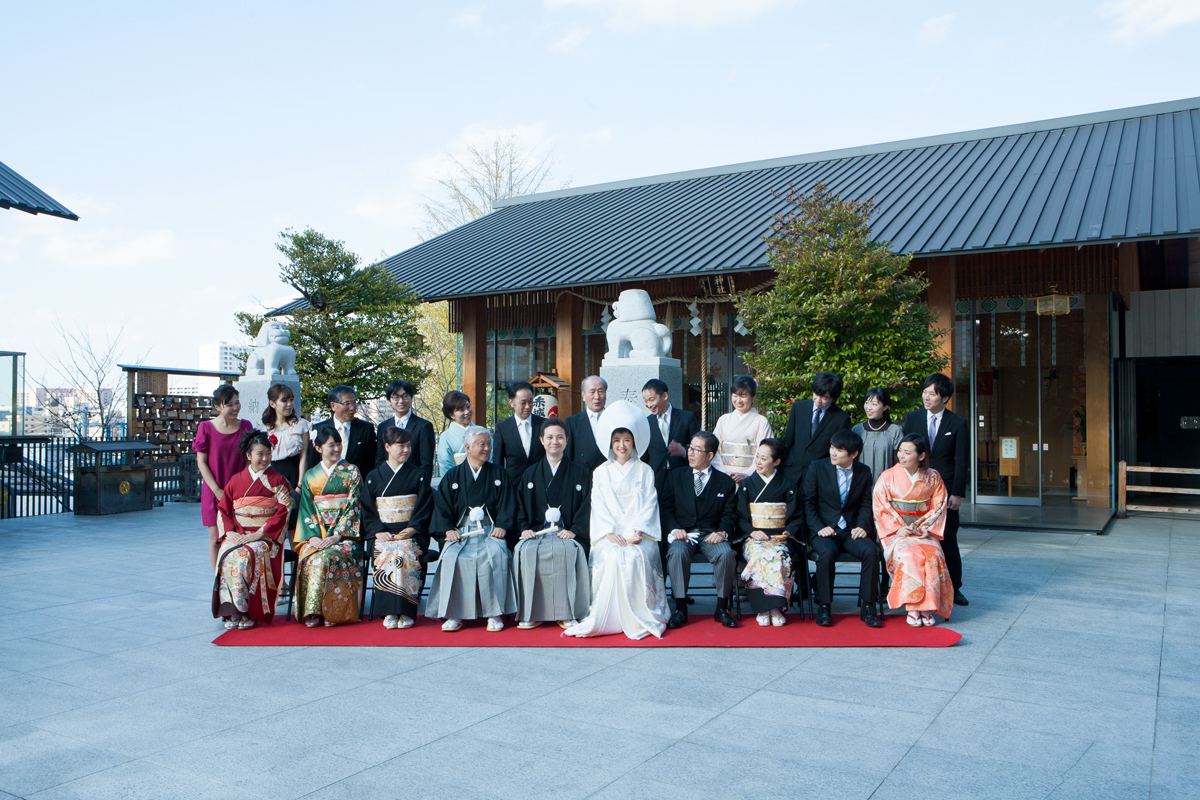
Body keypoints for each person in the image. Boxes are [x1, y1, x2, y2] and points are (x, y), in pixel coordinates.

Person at [565, 401, 669, 640]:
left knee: (634, 557)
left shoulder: (645, 470)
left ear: (634, 442)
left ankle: (640, 615)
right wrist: (608, 533)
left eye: (627, 440)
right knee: (612, 555)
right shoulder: (600, 472)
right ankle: (608, 616)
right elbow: (598, 506)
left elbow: (650, 504)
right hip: (610, 533)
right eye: (617, 440)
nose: (622, 445)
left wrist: (639, 531)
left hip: (638, 534)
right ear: (610, 443)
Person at [426, 425, 518, 632]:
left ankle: (494, 613)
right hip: (462, 531)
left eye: (488, 444)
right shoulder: (453, 476)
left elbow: (508, 503)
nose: (486, 448)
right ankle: (454, 613)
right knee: (451, 557)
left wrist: (502, 525)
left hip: (490, 530)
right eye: (481, 444)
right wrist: (447, 529)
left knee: (495, 554)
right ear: (467, 447)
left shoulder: (498, 473)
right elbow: (441, 506)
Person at [512, 418, 592, 629]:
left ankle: (567, 612)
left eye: (559, 437)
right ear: (541, 440)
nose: (554, 441)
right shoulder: (530, 473)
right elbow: (520, 506)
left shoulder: (580, 473)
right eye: (549, 437)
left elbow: (588, 505)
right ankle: (532, 611)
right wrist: (524, 528)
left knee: (566, 551)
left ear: (566, 440)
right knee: (526, 552)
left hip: (567, 532)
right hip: (537, 532)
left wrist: (575, 530)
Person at [212, 431, 292, 630]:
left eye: (268, 453)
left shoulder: (279, 481)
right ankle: (232, 611)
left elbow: (284, 510)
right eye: (259, 454)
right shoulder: (235, 480)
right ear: (248, 455)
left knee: (246, 554)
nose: (264, 458)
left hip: (265, 536)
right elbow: (224, 508)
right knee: (228, 554)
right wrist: (230, 532)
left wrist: (261, 533)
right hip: (238, 532)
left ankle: (249, 612)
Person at [902, 373, 969, 607]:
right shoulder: (912, 418)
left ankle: (955, 588)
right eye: (925, 392)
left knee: (948, 537)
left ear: (945, 397)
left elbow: (961, 461)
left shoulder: (958, 423)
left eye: (932, 393)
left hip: (946, 491)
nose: (926, 397)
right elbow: (905, 454)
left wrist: (957, 493)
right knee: (916, 538)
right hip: (917, 491)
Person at [802, 429, 882, 628]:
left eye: (839, 450)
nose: (833, 453)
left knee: (871, 551)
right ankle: (825, 606)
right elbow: (808, 502)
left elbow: (866, 504)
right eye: (832, 448)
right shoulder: (817, 467)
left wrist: (863, 526)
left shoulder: (864, 471)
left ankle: (868, 606)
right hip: (824, 530)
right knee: (826, 554)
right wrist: (819, 527)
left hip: (851, 530)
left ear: (853, 454)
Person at [660, 431, 739, 629]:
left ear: (710, 455)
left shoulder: (725, 482)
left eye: (697, 450)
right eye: (690, 448)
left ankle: (722, 607)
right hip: (683, 534)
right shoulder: (675, 476)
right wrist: (674, 529)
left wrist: (722, 532)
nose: (691, 453)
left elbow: (730, 514)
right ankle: (680, 607)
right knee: (677, 552)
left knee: (726, 553)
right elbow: (665, 508)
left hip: (710, 534)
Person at [872, 434, 953, 626]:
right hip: (896, 533)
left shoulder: (933, 477)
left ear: (922, 456)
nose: (901, 456)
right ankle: (913, 607)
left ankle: (927, 606)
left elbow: (939, 505)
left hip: (923, 530)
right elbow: (880, 506)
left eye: (907, 453)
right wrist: (898, 529)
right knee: (909, 555)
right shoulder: (887, 476)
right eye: (900, 451)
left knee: (934, 555)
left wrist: (927, 528)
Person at [362, 426, 433, 630]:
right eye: (400, 445)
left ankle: (406, 610)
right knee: (387, 551)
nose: (406, 450)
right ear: (387, 447)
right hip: (383, 532)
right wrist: (377, 530)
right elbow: (367, 508)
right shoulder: (373, 477)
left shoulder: (419, 475)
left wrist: (412, 529)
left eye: (408, 445)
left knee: (404, 552)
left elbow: (424, 507)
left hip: (410, 532)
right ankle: (389, 611)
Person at [294, 427, 365, 627]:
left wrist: (338, 536)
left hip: (345, 537)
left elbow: (354, 505)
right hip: (317, 534)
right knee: (312, 556)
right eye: (331, 445)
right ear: (318, 448)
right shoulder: (310, 475)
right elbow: (307, 509)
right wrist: (312, 537)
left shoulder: (352, 471)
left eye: (338, 444)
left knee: (328, 556)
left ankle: (334, 612)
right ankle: (313, 611)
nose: (336, 449)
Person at [735, 438, 801, 627]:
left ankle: (776, 607)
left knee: (779, 555)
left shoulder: (788, 486)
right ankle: (764, 608)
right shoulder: (747, 485)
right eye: (757, 457)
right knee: (760, 555)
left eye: (764, 459)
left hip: (780, 539)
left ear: (777, 462)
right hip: (754, 539)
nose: (758, 462)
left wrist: (788, 532)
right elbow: (739, 516)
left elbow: (797, 516)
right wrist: (752, 531)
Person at [195, 385, 255, 571]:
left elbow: (248, 460)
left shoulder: (246, 426)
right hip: (214, 490)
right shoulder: (205, 428)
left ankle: (235, 576)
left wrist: (239, 485)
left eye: (237, 403)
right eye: (229, 405)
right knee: (215, 539)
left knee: (238, 536)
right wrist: (217, 490)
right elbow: (202, 463)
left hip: (239, 490)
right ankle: (218, 580)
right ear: (217, 407)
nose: (235, 408)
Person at [780, 371, 851, 488]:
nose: (818, 400)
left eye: (824, 398)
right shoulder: (799, 408)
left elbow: (838, 452)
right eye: (816, 395)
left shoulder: (841, 418)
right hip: (791, 473)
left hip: (819, 477)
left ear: (833, 397)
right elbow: (788, 440)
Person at [711, 375, 774, 484]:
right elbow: (714, 449)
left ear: (753, 397)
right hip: (724, 476)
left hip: (750, 478)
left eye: (743, 396)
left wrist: (748, 474)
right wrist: (724, 472)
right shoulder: (724, 419)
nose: (738, 400)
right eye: (735, 396)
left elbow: (766, 453)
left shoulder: (761, 421)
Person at [641, 378, 700, 492]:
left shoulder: (687, 418)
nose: (648, 404)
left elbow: (700, 447)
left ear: (665, 396)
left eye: (651, 399)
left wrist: (683, 451)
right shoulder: (646, 423)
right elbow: (644, 455)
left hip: (682, 478)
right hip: (656, 481)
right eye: (645, 400)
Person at [375, 379, 436, 484]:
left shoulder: (424, 426)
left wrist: (422, 487)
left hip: (414, 483)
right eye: (396, 397)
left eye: (405, 396)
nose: (401, 401)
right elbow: (380, 460)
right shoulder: (383, 427)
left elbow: (426, 463)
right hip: (388, 482)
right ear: (389, 400)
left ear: (411, 398)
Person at [311, 385, 376, 479]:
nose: (352, 407)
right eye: (347, 403)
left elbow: (370, 463)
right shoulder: (318, 429)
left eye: (354, 402)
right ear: (333, 405)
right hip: (324, 485)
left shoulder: (365, 429)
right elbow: (313, 462)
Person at [256, 383, 310, 493]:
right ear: (272, 403)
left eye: (291, 400)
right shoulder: (264, 429)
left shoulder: (301, 425)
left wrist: (300, 485)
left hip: (295, 474)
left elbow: (304, 456)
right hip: (272, 476)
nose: (289, 404)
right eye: (284, 401)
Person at [492, 381, 546, 482]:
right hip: (514, 485)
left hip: (540, 482)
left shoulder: (544, 424)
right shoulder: (502, 428)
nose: (528, 406)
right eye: (523, 402)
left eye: (530, 401)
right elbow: (497, 462)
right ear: (511, 402)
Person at [851, 387, 904, 484]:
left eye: (874, 404)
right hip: (859, 484)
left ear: (885, 407)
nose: (868, 407)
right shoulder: (857, 430)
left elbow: (899, 463)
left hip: (887, 485)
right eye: (866, 403)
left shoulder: (895, 431)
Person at [565, 375, 608, 472]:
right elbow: (568, 456)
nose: (597, 397)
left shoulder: (614, 419)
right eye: (592, 392)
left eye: (601, 391)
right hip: (582, 478)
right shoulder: (572, 422)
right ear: (583, 395)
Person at [435, 390, 474, 478]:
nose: (467, 412)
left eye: (468, 407)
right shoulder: (446, 437)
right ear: (451, 415)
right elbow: (445, 466)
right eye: (461, 410)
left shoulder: (482, 432)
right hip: (457, 484)